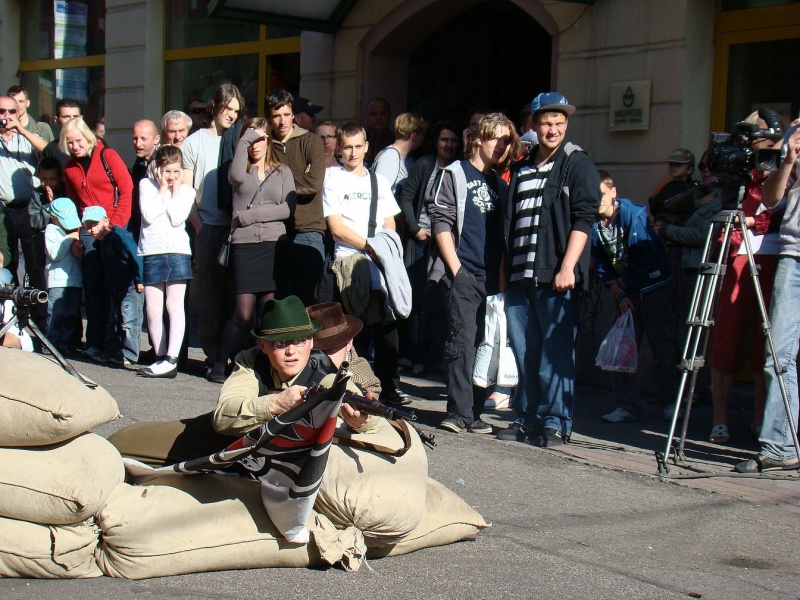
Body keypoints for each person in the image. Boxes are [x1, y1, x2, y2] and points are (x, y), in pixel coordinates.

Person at [497, 92, 601, 447]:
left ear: (566, 125)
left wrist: (568, 266)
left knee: (553, 355)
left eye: (559, 123)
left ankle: (556, 422)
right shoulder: (523, 166)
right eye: (546, 123)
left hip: (555, 276)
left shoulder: (577, 163)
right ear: (534, 125)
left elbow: (585, 218)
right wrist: (504, 272)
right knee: (524, 352)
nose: (553, 129)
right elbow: (509, 224)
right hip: (519, 277)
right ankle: (525, 418)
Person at [426, 113, 516, 434]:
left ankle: (475, 412)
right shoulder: (454, 173)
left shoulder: (501, 185)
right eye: (497, 139)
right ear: (478, 138)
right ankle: (458, 412)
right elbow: (441, 222)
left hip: (492, 279)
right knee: (461, 343)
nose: (502, 146)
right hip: (463, 273)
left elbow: (503, 240)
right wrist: (457, 270)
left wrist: (502, 282)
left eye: (507, 141)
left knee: (484, 345)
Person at [705, 115, 784, 445]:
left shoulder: (782, 162)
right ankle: (719, 419)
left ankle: (760, 418)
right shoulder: (735, 163)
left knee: (768, 342)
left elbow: (780, 202)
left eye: (761, 135)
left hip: (776, 254)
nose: (756, 142)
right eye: (751, 135)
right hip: (736, 253)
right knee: (726, 337)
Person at [322, 122, 411, 407]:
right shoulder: (332, 178)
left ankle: (388, 388)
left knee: (387, 324)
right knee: (352, 326)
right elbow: (336, 227)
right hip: (348, 259)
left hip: (378, 260)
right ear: (338, 148)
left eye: (358, 146)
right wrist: (368, 245)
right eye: (347, 147)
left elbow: (390, 222)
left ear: (366, 146)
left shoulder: (378, 181)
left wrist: (382, 248)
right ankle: (353, 386)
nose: (353, 152)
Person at [208, 117, 297, 383]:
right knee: (243, 312)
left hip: (272, 245)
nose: (254, 145)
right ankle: (219, 363)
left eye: (260, 139)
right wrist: (246, 137)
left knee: (267, 310)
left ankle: (266, 368)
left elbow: (287, 209)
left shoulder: (282, 171)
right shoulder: (239, 171)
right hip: (244, 246)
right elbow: (234, 177)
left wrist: (252, 215)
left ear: (268, 140)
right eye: (249, 140)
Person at [735, 120, 800, 474]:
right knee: (778, 353)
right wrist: (788, 160)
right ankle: (780, 444)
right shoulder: (794, 135)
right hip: (794, 253)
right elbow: (772, 201)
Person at [213, 295, 373, 437]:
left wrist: (361, 422)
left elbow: (373, 422)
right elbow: (222, 417)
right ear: (262, 345)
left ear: (311, 342)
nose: (291, 351)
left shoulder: (325, 372)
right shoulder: (252, 361)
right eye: (280, 343)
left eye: (299, 341)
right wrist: (275, 404)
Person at [591, 170, 677, 423]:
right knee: (624, 348)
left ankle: (669, 402)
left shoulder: (633, 215)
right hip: (626, 291)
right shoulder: (594, 224)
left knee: (662, 347)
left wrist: (622, 286)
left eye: (602, 194)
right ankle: (626, 405)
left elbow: (645, 257)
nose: (598, 201)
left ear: (613, 192)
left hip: (654, 287)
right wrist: (618, 294)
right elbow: (600, 262)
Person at [181, 84, 244, 370]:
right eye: (227, 108)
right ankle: (211, 353)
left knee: (234, 295)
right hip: (207, 225)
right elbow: (185, 190)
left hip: (235, 225)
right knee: (209, 295)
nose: (231, 115)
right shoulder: (194, 142)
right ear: (215, 106)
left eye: (236, 110)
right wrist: (199, 226)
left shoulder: (239, 138)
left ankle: (231, 355)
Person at [61, 116, 134, 359]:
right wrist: (75, 235)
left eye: (78, 140)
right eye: (70, 142)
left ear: (87, 137)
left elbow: (126, 189)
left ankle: (115, 347)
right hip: (88, 232)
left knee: (112, 288)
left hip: (111, 228)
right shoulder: (70, 168)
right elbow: (73, 205)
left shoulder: (107, 155)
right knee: (93, 289)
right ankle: (95, 343)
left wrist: (114, 227)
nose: (75, 146)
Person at [398, 120, 461, 375]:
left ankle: (434, 355)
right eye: (444, 139)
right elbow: (405, 197)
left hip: (445, 243)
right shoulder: (425, 164)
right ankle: (416, 356)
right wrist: (415, 228)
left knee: (439, 300)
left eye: (453, 141)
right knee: (417, 299)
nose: (448, 145)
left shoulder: (459, 168)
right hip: (422, 241)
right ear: (437, 141)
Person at [137, 145, 195, 379]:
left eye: (175, 171)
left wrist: (175, 190)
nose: (171, 176)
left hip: (177, 251)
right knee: (152, 308)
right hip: (151, 252)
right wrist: (161, 189)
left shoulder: (187, 191)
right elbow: (148, 215)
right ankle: (160, 356)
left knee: (174, 305)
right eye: (166, 171)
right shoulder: (146, 185)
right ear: (157, 169)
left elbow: (177, 217)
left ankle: (171, 358)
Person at [266, 89, 326, 304]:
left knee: (306, 301)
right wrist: (297, 179)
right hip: (275, 230)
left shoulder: (311, 141)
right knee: (280, 302)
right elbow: (258, 184)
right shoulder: (265, 145)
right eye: (276, 115)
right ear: (269, 118)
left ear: (294, 115)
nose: (282, 121)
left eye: (286, 114)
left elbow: (313, 184)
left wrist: (275, 183)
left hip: (308, 229)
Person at [0, 94, 50, 329]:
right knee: (7, 263)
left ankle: (39, 320)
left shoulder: (27, 136)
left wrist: (21, 130)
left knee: (34, 264)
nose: (6, 116)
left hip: (28, 208)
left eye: (12, 111)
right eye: (2, 112)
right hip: (3, 209)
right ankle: (10, 320)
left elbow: (48, 150)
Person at [81, 205, 143, 368]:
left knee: (129, 319)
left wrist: (139, 279)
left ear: (106, 221)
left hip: (129, 286)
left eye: (95, 224)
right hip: (115, 287)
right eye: (88, 227)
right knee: (113, 319)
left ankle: (130, 353)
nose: (92, 230)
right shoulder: (102, 242)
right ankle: (112, 350)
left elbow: (134, 256)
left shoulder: (119, 236)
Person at [306, 301, 381, 398]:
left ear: (349, 343)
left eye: (331, 349)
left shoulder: (361, 377)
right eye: (318, 350)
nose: (323, 356)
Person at [43, 197, 83, 355]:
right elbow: (55, 254)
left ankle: (65, 344)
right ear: (54, 218)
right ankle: (50, 344)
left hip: (75, 280)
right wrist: (69, 239)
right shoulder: (52, 230)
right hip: (58, 280)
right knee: (56, 314)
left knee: (70, 316)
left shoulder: (73, 233)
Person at [372, 113, 428, 198]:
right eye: (422, 135)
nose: (423, 139)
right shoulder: (390, 156)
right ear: (414, 135)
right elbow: (378, 194)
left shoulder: (408, 158)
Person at [129, 119, 161, 243]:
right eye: (135, 138)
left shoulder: (163, 161)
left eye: (143, 139)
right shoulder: (140, 162)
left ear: (156, 139)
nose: (138, 144)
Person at [41, 98, 82, 168]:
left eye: (75, 116)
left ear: (81, 118)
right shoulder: (51, 149)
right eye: (66, 117)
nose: (71, 120)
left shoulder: (95, 144)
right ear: (56, 120)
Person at [364, 97, 393, 166]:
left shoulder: (397, 142)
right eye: (373, 114)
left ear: (389, 116)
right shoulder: (359, 141)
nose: (378, 117)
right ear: (366, 116)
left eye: (383, 113)